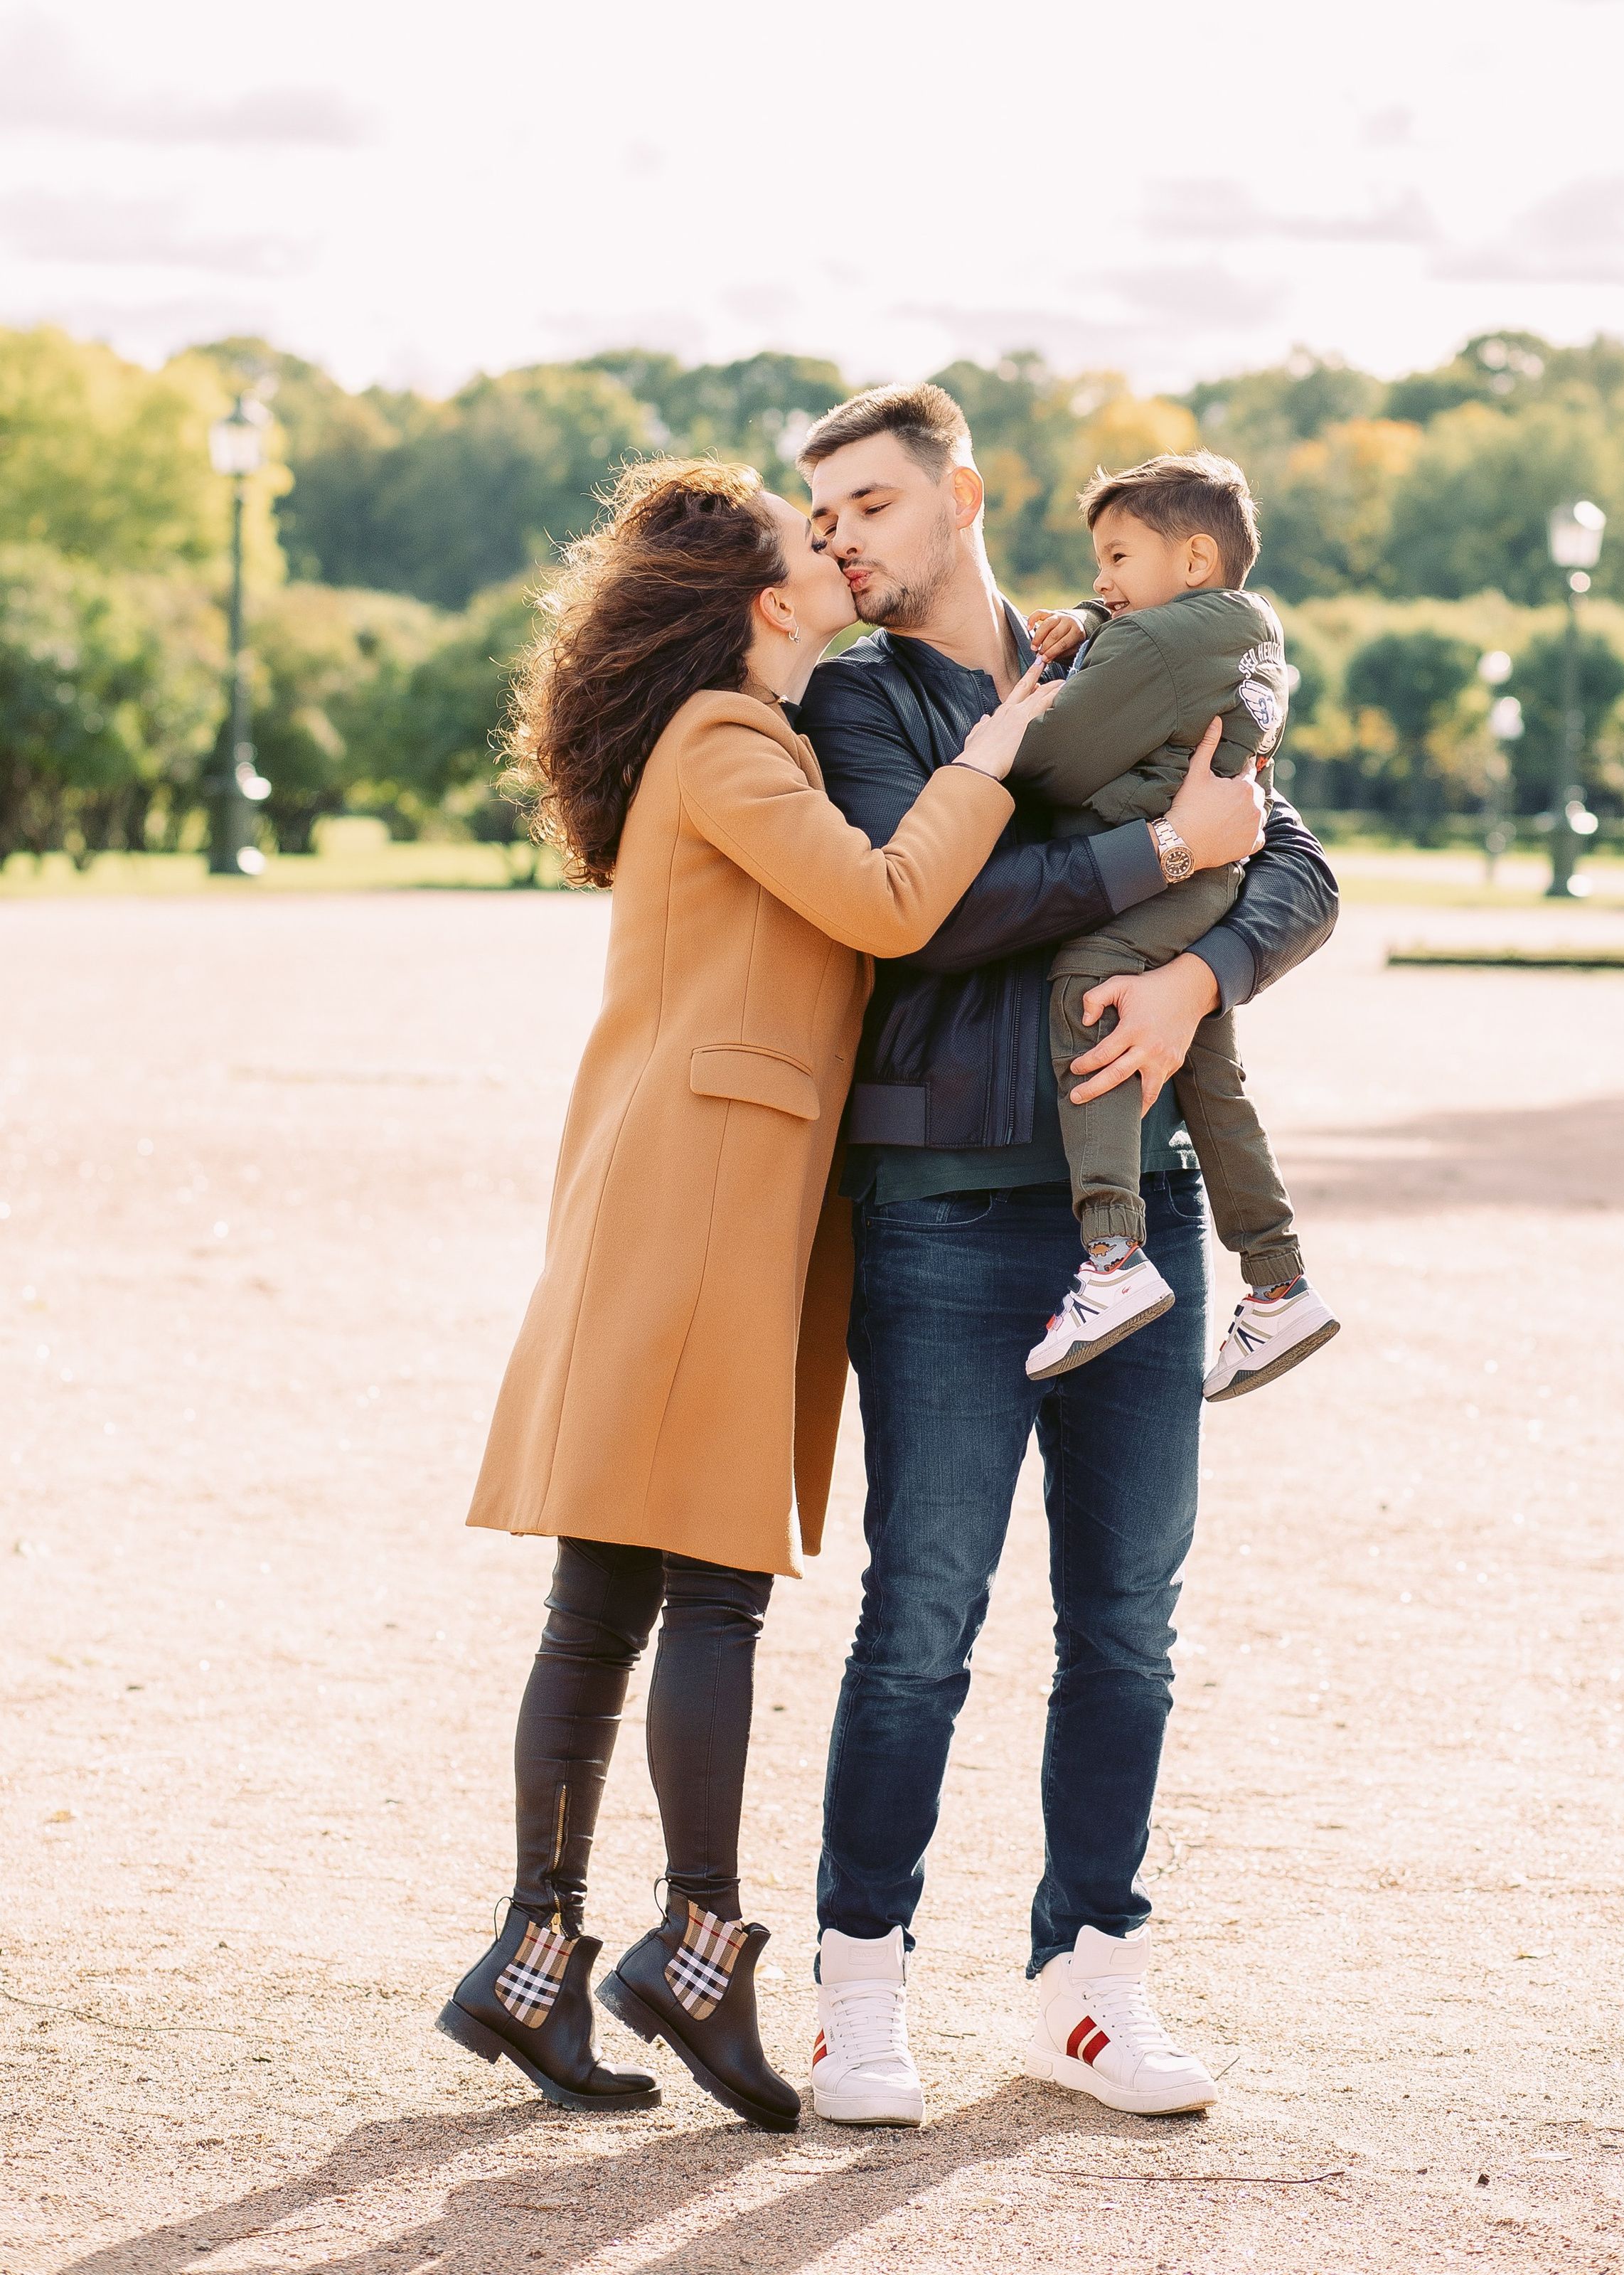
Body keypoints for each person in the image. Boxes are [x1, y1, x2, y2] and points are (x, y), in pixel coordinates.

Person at [438, 454, 1061, 2133]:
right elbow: (885, 899)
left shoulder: (736, 742)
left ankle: (536, 1960)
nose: (839, 549)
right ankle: (691, 1953)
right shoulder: (727, 740)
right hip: (702, 1203)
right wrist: (997, 749)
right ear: (765, 601)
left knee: (609, 1602)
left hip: (681, 1196)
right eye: (814, 537)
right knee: (702, 1597)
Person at [795, 383, 1339, 2127]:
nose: (846, 544)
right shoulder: (856, 702)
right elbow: (926, 910)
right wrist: (1162, 851)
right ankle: (855, 1990)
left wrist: (1200, 970)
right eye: (825, 523)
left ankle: (1085, 1987)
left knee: (1124, 1627)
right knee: (923, 1617)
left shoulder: (1132, 645)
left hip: (1144, 1204)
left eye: (871, 505)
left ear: (961, 497)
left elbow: (1299, 863)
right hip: (947, 1203)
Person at [1009, 448, 1341, 1393]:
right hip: (1222, 880)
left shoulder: (1148, 644)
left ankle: (1111, 1257)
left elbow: (1054, 764)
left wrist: (1012, 726)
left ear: (1193, 560)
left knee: (1089, 988)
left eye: (1117, 559)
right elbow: (1140, 661)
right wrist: (1087, 617)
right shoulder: (1250, 631)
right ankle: (1279, 1283)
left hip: (1162, 876)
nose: (1102, 579)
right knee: (1209, 1074)